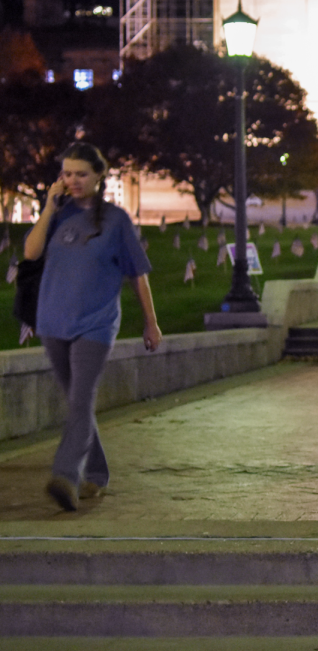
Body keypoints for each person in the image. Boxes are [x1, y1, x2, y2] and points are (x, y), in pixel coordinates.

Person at [23, 142, 162, 512]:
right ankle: (96, 475)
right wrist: (48, 209)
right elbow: (31, 252)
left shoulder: (116, 221)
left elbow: (138, 275)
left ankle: (66, 477)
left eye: (81, 173)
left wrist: (151, 323)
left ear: (99, 176)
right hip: (52, 321)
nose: (73, 180)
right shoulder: (58, 213)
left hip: (96, 325)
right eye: (67, 173)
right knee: (77, 403)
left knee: (81, 400)